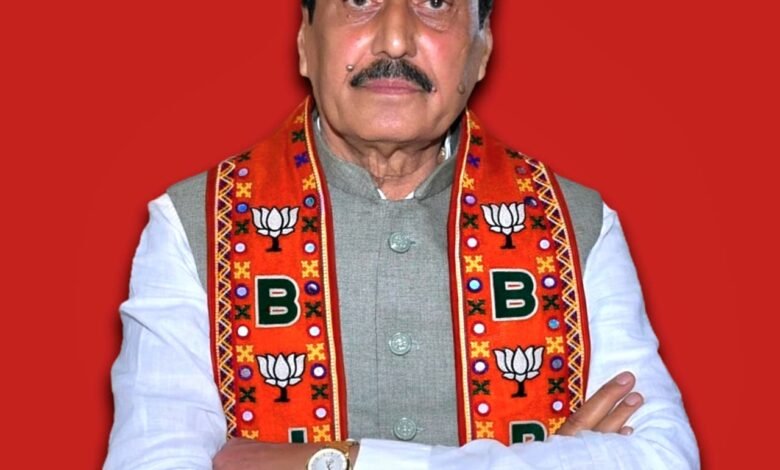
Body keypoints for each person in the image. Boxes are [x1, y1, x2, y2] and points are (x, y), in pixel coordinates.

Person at [104, 1, 699, 468]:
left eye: (434, 3)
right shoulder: (194, 224)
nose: (395, 39)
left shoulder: (575, 222)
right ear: (305, 42)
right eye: (360, 0)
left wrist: (339, 461)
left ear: (482, 51)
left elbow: (663, 458)